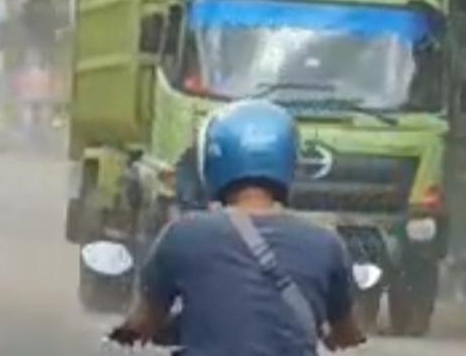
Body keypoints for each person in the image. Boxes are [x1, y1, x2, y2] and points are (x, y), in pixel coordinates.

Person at [108, 99, 366, 355]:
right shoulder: (325, 243)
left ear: (213, 158)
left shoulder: (182, 235)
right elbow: (349, 334)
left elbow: (142, 324)